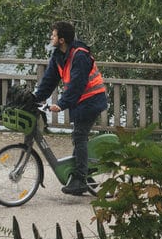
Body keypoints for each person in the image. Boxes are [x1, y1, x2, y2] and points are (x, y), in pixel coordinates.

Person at [32, 21, 108, 195]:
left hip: (91, 101)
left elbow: (77, 85)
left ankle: (80, 179)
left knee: (79, 136)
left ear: (62, 39)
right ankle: (84, 176)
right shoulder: (59, 55)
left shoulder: (79, 55)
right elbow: (49, 81)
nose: (51, 37)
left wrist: (61, 104)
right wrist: (35, 98)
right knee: (78, 136)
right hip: (80, 102)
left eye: (54, 35)